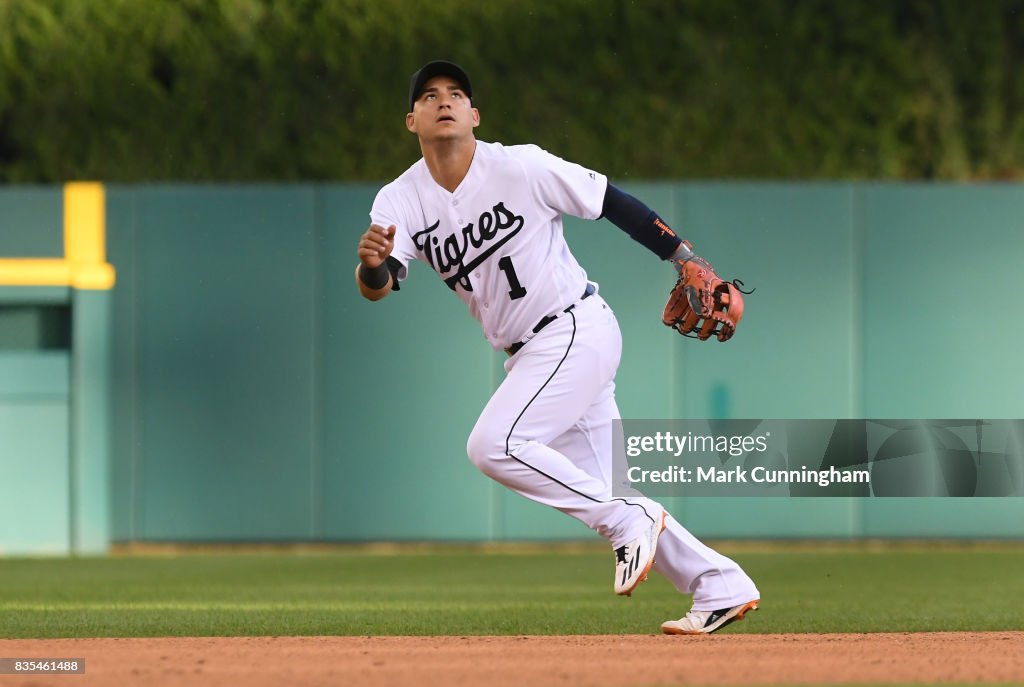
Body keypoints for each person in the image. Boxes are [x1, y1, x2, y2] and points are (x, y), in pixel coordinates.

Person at [355, 60, 760, 634]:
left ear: (474, 114)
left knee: (494, 444)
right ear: (411, 119)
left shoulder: (521, 166)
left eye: (455, 93)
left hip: (573, 327)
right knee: (612, 485)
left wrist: (686, 259)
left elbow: (613, 202)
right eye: (428, 95)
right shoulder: (399, 200)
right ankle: (719, 584)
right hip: (532, 352)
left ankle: (626, 522)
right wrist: (370, 267)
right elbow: (381, 283)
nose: (442, 100)